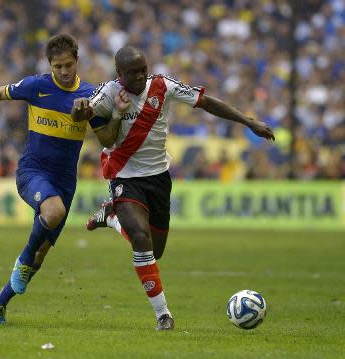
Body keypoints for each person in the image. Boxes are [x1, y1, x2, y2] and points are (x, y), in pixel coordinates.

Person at [72, 46, 275, 330]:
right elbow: (93, 125)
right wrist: (82, 110)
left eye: (143, 69)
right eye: (133, 72)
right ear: (120, 74)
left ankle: (111, 217)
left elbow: (206, 102)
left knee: (155, 252)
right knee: (141, 239)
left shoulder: (162, 86)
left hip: (158, 178)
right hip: (124, 176)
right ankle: (163, 315)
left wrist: (249, 121)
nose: (141, 76)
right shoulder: (108, 94)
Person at [0, 33, 105, 325]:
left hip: (65, 183)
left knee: (41, 256)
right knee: (52, 214)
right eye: (58, 66)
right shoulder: (37, 86)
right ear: (50, 65)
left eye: (68, 65)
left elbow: (107, 136)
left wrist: (91, 117)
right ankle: (23, 258)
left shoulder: (91, 95)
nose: (64, 72)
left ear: (77, 61)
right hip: (33, 171)